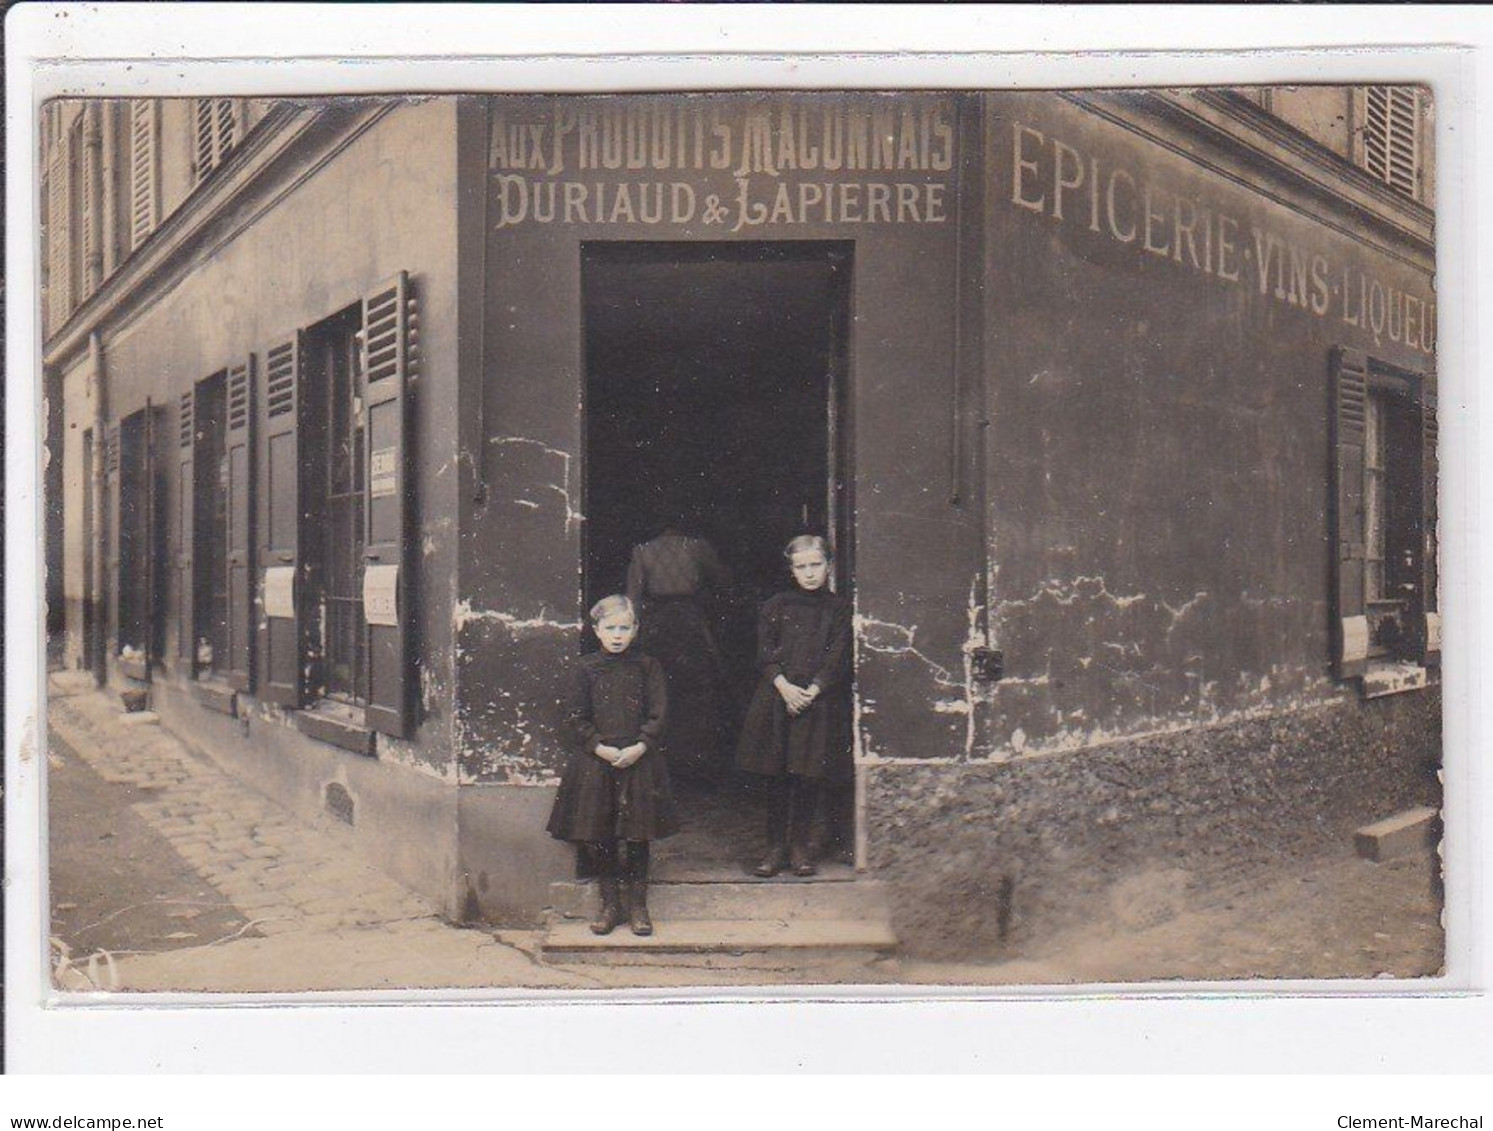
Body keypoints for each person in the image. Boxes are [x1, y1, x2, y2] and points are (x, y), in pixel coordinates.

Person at [546, 595, 677, 936]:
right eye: (610, 628)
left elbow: (659, 712)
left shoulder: (648, 666)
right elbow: (575, 716)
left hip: (638, 759)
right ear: (596, 630)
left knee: (638, 834)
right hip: (598, 760)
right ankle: (610, 904)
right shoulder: (585, 668)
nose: (617, 635)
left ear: (635, 630)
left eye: (624, 628)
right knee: (600, 833)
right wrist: (598, 747)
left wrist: (641, 745)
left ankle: (638, 905)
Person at [736, 535, 853, 877]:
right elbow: (764, 653)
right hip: (779, 698)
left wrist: (814, 689)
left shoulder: (839, 609)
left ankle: (800, 846)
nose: (810, 573)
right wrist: (784, 687)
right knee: (777, 775)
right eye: (801, 567)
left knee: (807, 775)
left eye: (816, 565)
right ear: (791, 570)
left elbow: (837, 655)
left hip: (817, 701)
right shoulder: (775, 606)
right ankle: (775, 847)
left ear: (829, 566)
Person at [625, 523, 731, 782]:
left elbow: (633, 597)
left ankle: (665, 767)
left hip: (656, 630)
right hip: (691, 626)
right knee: (699, 695)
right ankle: (697, 766)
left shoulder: (642, 551)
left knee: (659, 693)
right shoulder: (698, 547)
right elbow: (724, 582)